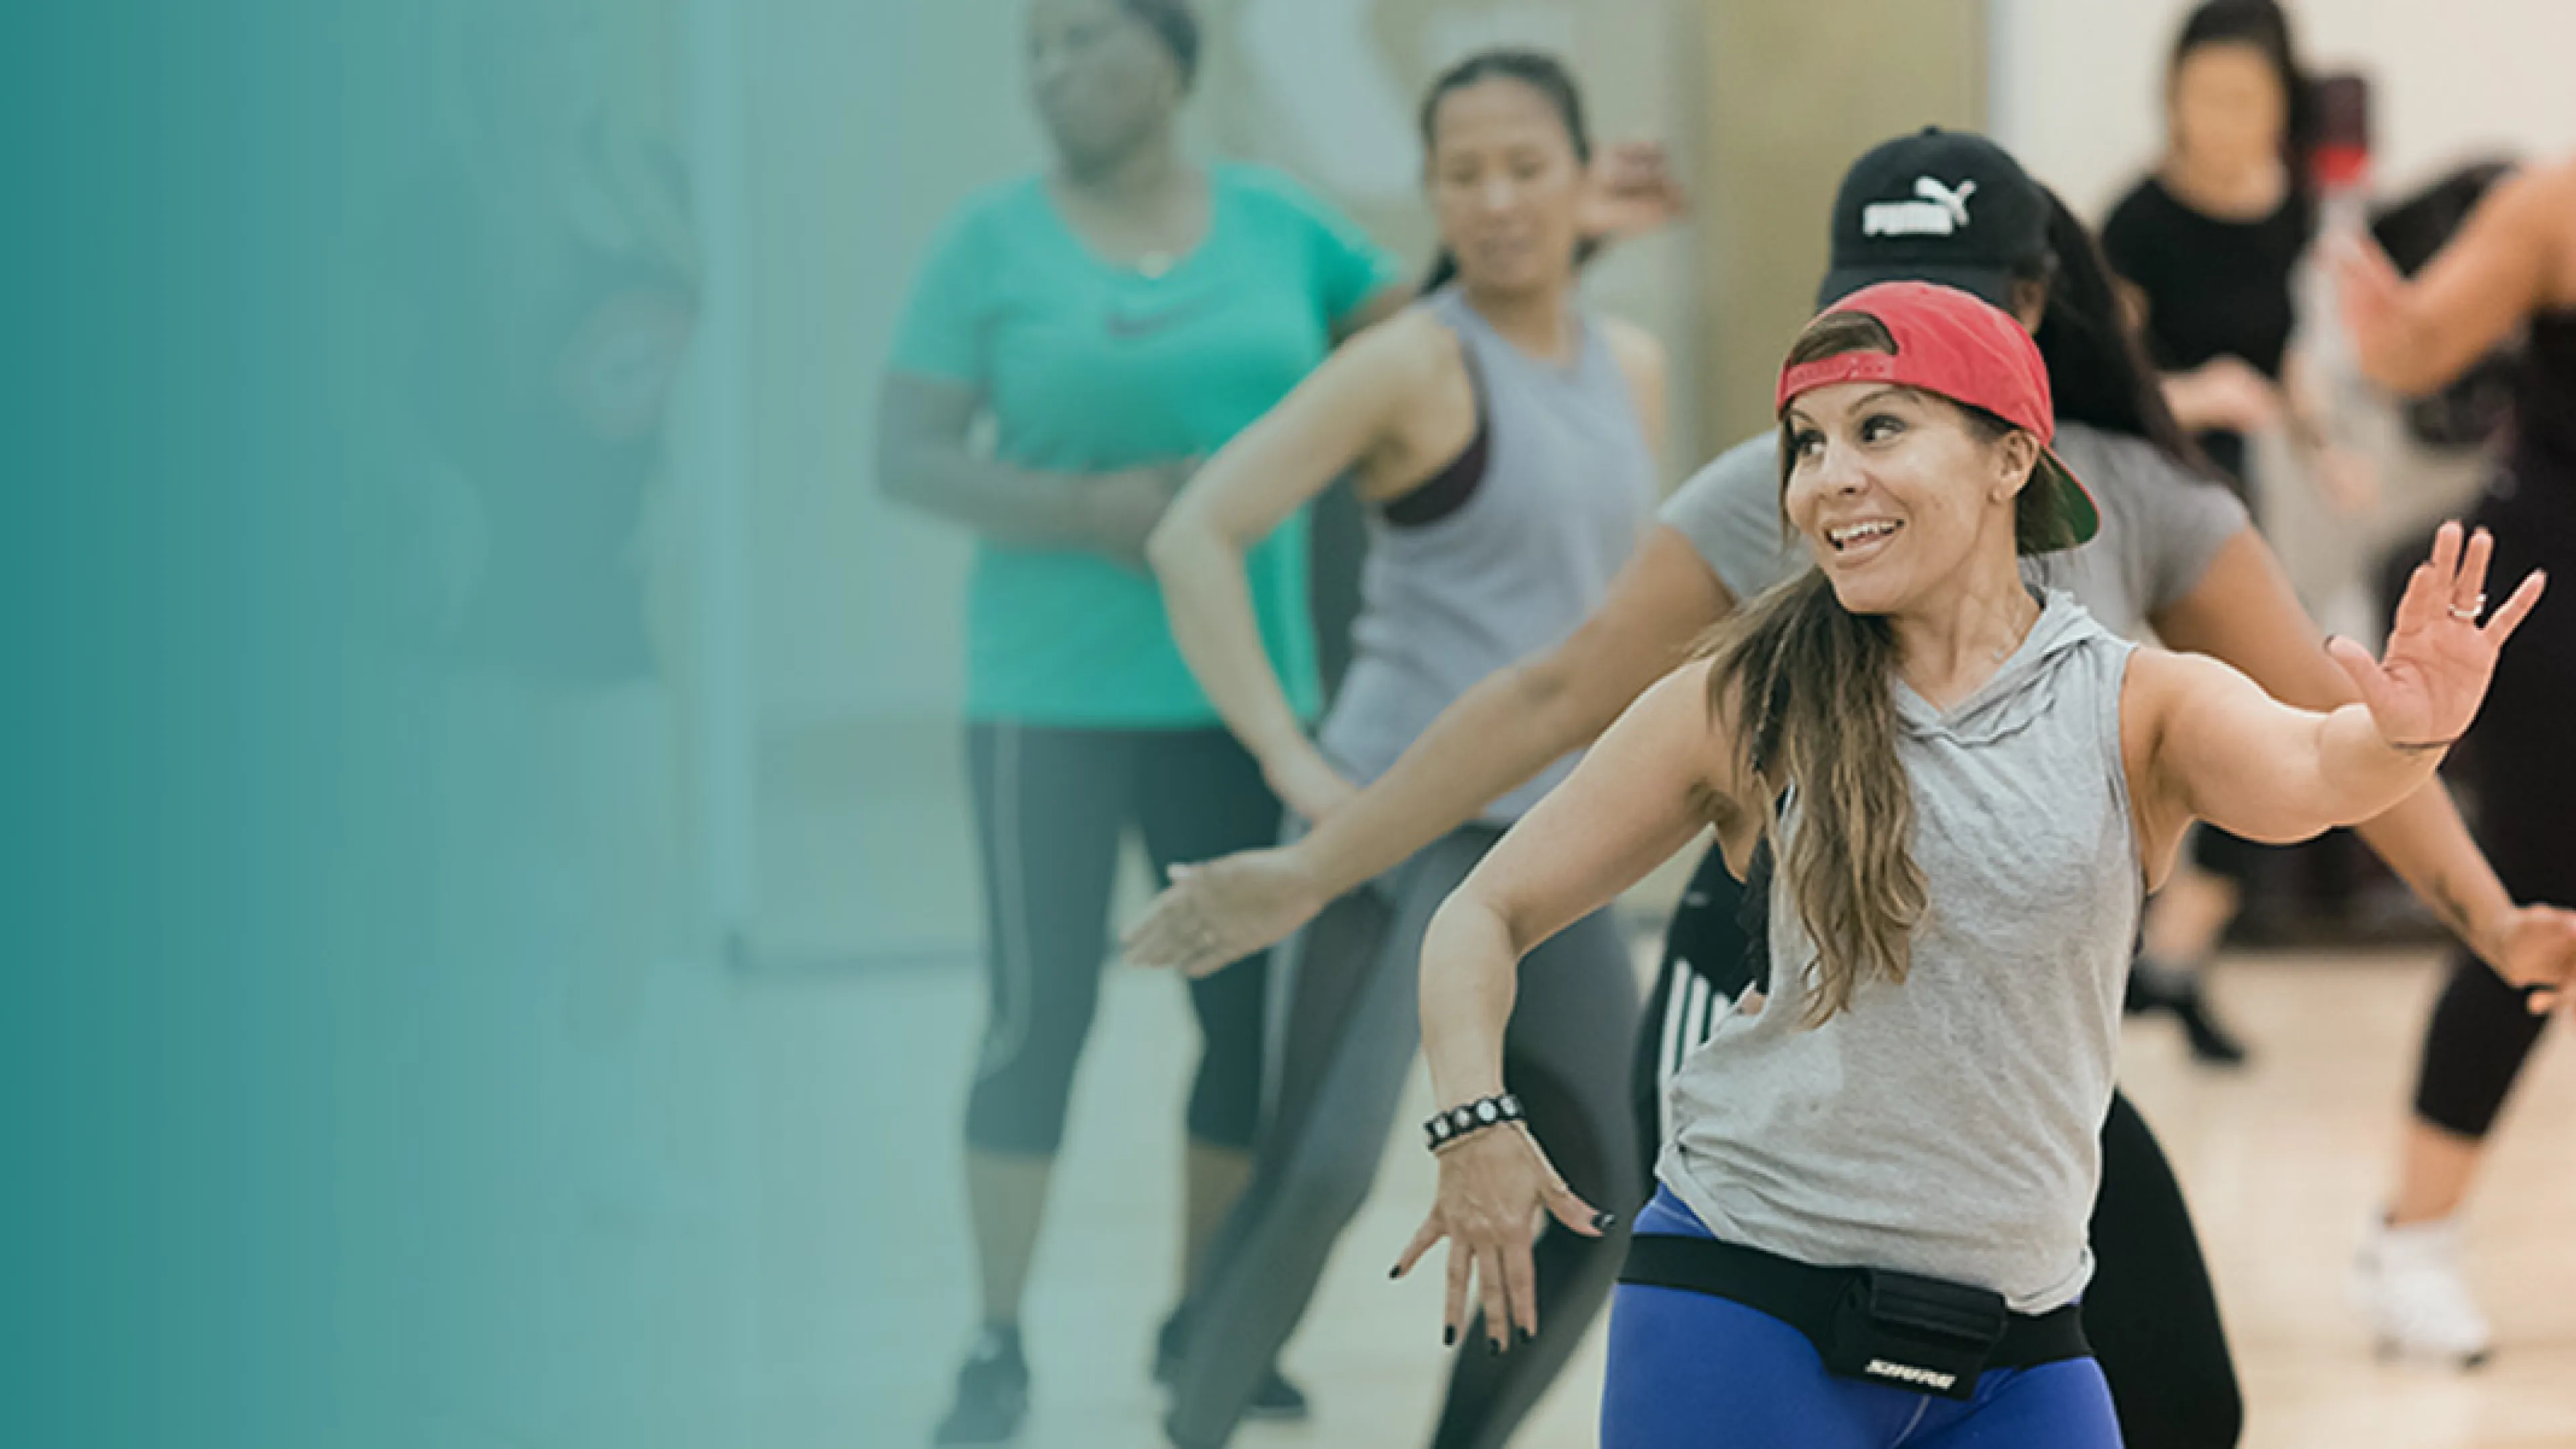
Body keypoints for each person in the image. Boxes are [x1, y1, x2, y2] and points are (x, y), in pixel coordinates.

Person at [1129, 127, 2576, 1449]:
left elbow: (2317, 759)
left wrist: (2419, 761)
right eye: (1809, 443)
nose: (1828, 478)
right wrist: (1453, 1092)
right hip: (1762, 1238)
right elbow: (1541, 733)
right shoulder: (1750, 689)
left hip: (2013, 1257)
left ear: (2019, 441)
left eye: (1882, 429)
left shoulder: (2134, 645)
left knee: (2184, 1395)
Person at [879, 2, 1413, 1440]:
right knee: (1033, 1020)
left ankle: (1203, 1324)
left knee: (1242, 1026)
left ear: (1172, 62)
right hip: (1045, 703)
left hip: (1241, 698)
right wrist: (1085, 511)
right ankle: (996, 1342)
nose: (1052, 68)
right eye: (1034, 49)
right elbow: (907, 454)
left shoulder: (1287, 228)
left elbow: (1424, 367)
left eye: (1081, 38)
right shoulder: (989, 243)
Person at [1144, 50, 1663, 1449]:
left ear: (1581, 175)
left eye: (1525, 166)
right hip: (1399, 819)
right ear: (1432, 192)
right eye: (1462, 173)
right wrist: (1289, 758)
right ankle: (1188, 1422)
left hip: (1553, 839)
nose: (1495, 200)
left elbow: (1625, 626)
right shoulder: (1409, 360)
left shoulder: (1633, 372)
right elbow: (1196, 533)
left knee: (1608, 1180)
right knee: (1316, 1172)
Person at [2338, 152, 2576, 1364]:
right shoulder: (2556, 202)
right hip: (2564, 590)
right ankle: (2411, 1243)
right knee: (2533, 909)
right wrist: (2389, 330)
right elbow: (2412, 355)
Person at [2101, 0, 2373, 1062]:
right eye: (2204, 95)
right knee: (2146, 726)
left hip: (2232, 494)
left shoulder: (2290, 207)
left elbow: (2285, 352)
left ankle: (2174, 964)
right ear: (2173, 99)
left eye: (2246, 99)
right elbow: (2101, 383)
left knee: (2263, 716)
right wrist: (2201, 394)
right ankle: (2131, 961)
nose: (2223, 119)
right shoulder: (2135, 222)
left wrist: (2322, 438)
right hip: (2138, 483)